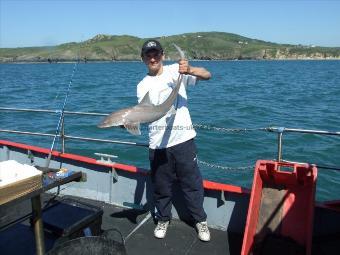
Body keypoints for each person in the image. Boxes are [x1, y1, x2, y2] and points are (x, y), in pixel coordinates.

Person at [137, 39, 212, 242]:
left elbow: (207, 75)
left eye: (156, 54)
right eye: (148, 55)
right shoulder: (142, 85)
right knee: (161, 187)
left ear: (162, 55)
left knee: (192, 184)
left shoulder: (175, 71)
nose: (152, 58)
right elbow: (144, 113)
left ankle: (200, 221)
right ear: (143, 59)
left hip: (183, 139)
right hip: (158, 144)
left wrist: (189, 69)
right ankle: (163, 219)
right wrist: (130, 122)